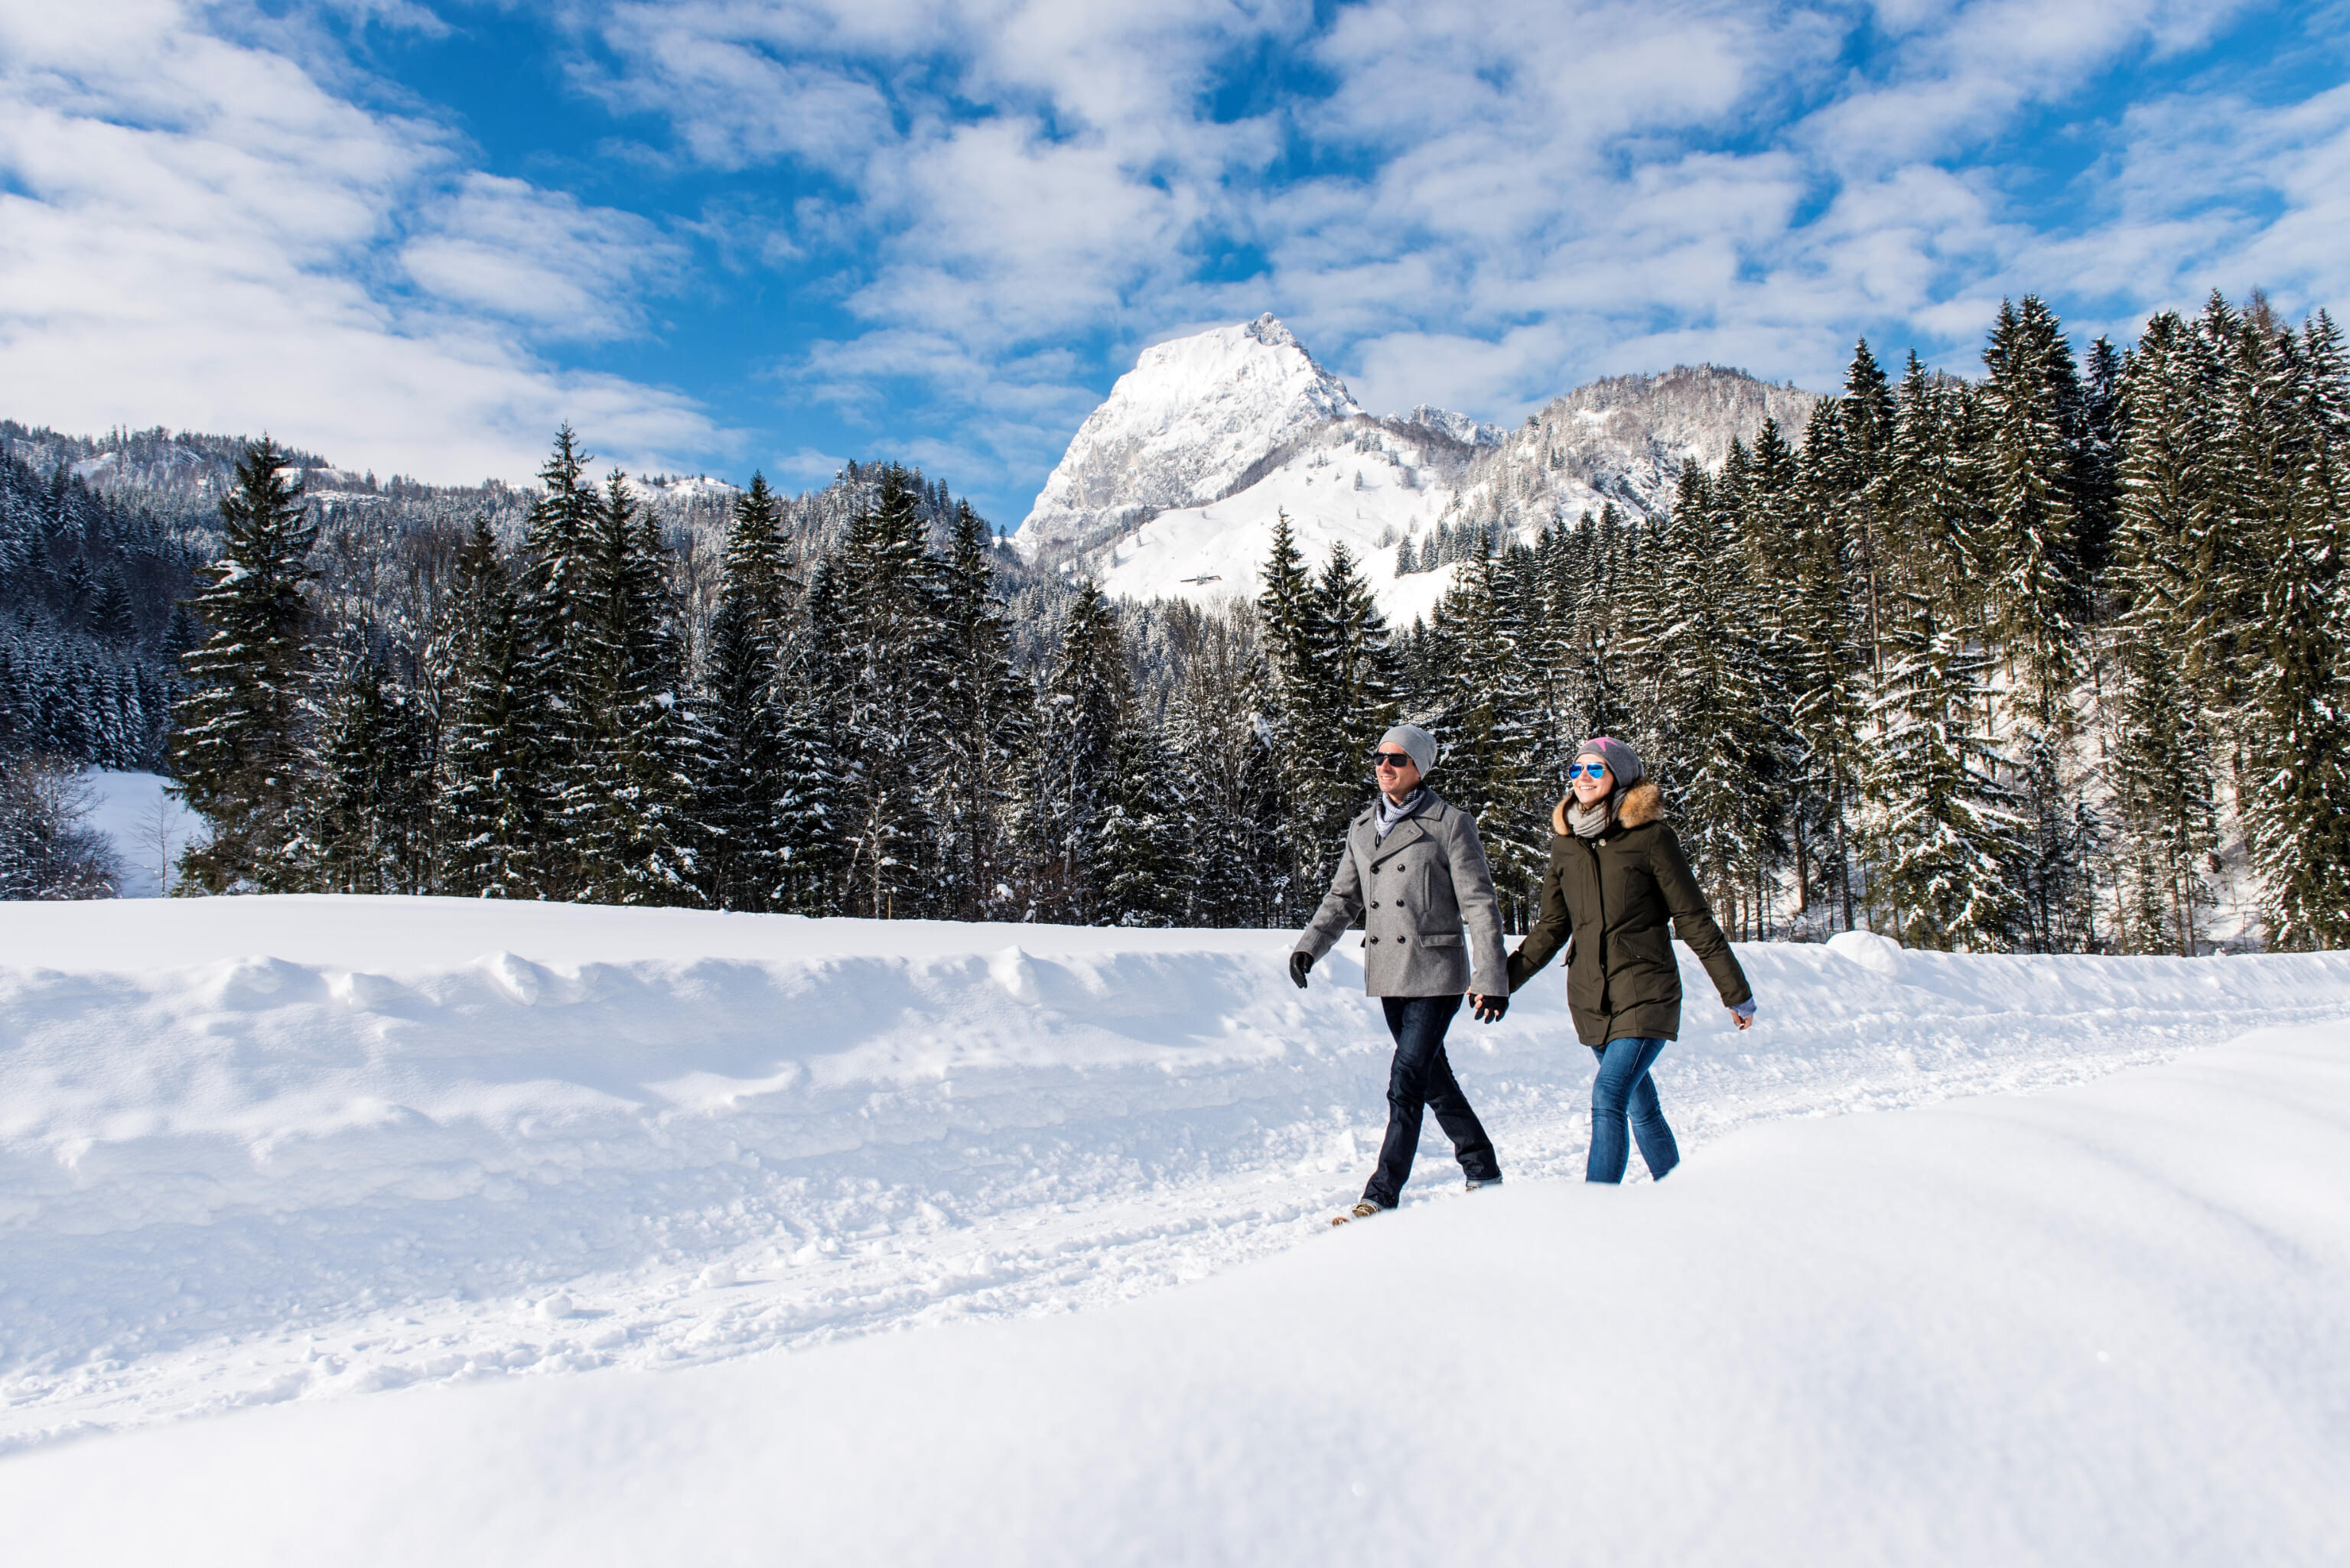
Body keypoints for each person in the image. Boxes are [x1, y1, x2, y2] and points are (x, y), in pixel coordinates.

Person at [1504, 737, 1755, 1184]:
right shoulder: (1566, 846)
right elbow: (1550, 928)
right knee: (1641, 1107)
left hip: (1646, 991)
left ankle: (1596, 1211)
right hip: (1591, 998)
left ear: (1618, 776)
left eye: (1595, 769)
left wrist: (1735, 994)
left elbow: (1694, 920)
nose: (1583, 777)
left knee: (1609, 1094)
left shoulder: (1652, 838)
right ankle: (1678, 1192)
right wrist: (1500, 982)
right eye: (1577, 769)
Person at [1291, 722, 1509, 1225]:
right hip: (1389, 971)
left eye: (1397, 759)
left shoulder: (1450, 823)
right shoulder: (1363, 828)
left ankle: (1382, 1194)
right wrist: (1310, 947)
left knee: (1405, 1080)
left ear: (1419, 768)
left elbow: (1480, 905)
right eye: (1380, 757)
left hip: (1436, 971)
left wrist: (1490, 977)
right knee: (1433, 1079)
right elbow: (1344, 898)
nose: (1385, 766)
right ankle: (1482, 1167)